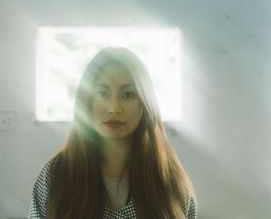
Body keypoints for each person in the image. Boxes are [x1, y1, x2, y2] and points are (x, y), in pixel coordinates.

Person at [28, 47, 197, 219]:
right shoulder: (57, 174)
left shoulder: (168, 178)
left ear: (145, 103)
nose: (114, 108)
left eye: (128, 94)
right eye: (102, 93)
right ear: (86, 101)